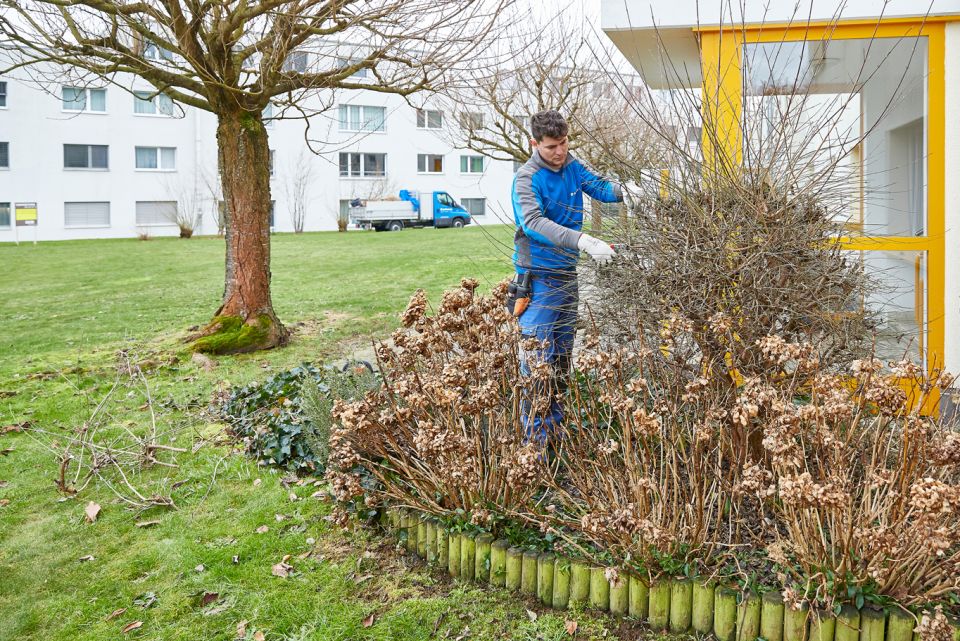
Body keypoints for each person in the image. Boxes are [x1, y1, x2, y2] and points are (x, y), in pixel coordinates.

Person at [510, 109, 628, 445]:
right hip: (539, 281)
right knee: (536, 365)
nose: (560, 152)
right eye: (551, 147)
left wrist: (630, 191)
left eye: (563, 143)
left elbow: (600, 188)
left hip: (566, 278)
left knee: (560, 362)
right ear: (535, 144)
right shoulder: (526, 178)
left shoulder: (572, 166)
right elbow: (534, 222)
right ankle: (536, 451)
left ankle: (555, 436)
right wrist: (585, 240)